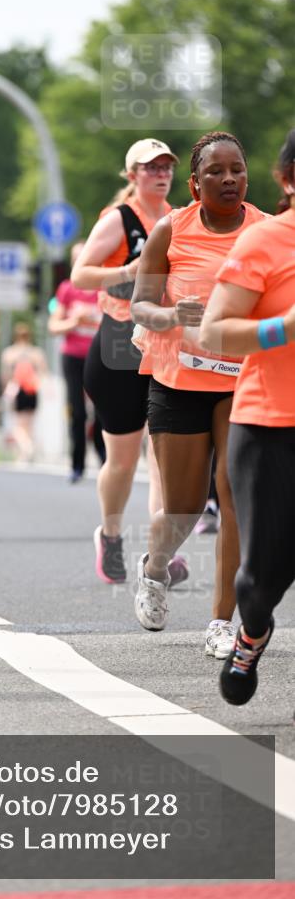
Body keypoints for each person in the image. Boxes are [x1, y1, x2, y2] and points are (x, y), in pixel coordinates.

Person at [130, 131, 267, 658]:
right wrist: (172, 315)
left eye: (238, 169)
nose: (229, 178)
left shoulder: (267, 232)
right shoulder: (172, 229)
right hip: (179, 378)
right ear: (195, 183)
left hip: (242, 380)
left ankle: (220, 623)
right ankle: (156, 567)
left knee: (234, 496)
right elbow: (141, 304)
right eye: (217, 171)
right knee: (184, 509)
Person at [199, 129, 295, 702]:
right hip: (269, 427)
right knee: (262, 578)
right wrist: (285, 327)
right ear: (288, 178)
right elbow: (214, 329)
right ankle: (252, 631)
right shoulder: (264, 242)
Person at [72, 138, 181, 584]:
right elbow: (80, 274)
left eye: (166, 166)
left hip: (164, 342)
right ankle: (111, 534)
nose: (160, 173)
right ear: (132, 175)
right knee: (121, 460)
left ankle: (163, 552)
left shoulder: (179, 219)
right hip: (119, 343)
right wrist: (127, 271)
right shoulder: (120, 220)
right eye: (150, 167)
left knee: (163, 454)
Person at [48, 242, 105, 481]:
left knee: (103, 410)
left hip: (101, 355)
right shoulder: (67, 289)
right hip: (73, 356)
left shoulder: (105, 288)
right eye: (76, 258)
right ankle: (77, 464)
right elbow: (54, 326)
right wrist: (75, 321)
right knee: (78, 412)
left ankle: (104, 460)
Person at [0, 322, 47, 462]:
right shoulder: (36, 352)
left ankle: (26, 447)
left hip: (18, 389)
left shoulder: (10, 353)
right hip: (32, 390)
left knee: (18, 424)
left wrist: (5, 390)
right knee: (29, 422)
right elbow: (43, 372)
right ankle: (24, 453)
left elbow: (5, 375)